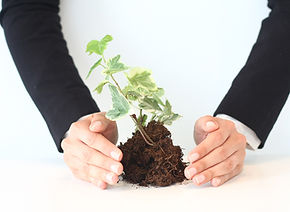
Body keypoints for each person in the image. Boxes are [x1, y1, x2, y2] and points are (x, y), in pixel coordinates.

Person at [0, 0, 289, 190]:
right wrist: (78, 123)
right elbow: (26, 8)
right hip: (39, 176)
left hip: (263, 176)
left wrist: (238, 123)